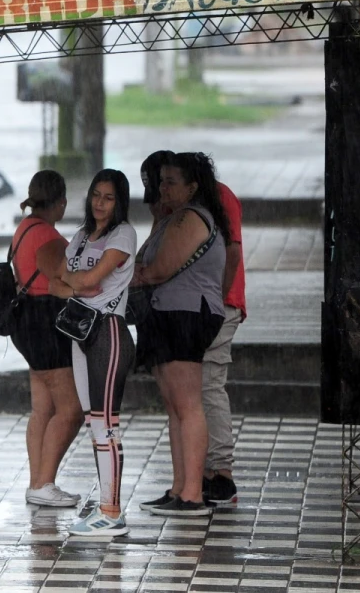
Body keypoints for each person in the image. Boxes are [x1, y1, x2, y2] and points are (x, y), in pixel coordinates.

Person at [133, 152, 229, 517]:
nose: (163, 188)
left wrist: (142, 273)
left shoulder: (191, 218)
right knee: (175, 407)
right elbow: (143, 259)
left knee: (187, 406)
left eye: (172, 182)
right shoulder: (172, 218)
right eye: (161, 182)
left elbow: (155, 269)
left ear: (193, 187)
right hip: (168, 313)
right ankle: (179, 487)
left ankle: (192, 493)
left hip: (186, 314)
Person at [53, 169, 138, 538]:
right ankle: (104, 505)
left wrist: (77, 282)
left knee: (107, 423)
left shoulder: (124, 234)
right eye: (96, 195)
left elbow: (85, 280)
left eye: (109, 197)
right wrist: (78, 284)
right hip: (80, 332)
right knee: (94, 423)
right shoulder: (82, 236)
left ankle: (112, 512)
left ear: (119, 202)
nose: (100, 203)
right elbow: (58, 279)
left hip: (109, 333)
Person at [11, 170, 85, 507]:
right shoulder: (50, 238)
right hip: (48, 321)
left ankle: (36, 483)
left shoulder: (23, 229)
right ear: (61, 203)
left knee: (43, 408)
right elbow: (68, 279)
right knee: (71, 410)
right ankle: (45, 482)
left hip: (25, 321)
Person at [201, 170, 246, 506]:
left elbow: (232, 249)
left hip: (220, 305)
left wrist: (219, 299)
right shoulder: (191, 202)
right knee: (198, 389)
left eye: (169, 181)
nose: (162, 189)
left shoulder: (218, 197)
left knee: (210, 386)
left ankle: (222, 474)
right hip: (204, 306)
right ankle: (204, 471)